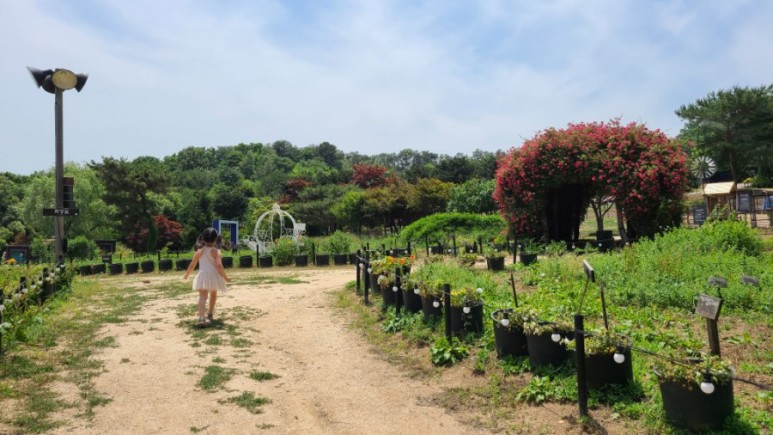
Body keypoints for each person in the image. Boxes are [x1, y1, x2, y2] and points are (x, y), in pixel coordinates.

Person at [183, 228, 231, 325]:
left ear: (203, 239)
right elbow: (219, 265)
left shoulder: (199, 252)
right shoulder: (216, 252)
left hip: (203, 276)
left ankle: (201, 317)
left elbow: (192, 265)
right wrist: (225, 277)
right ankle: (210, 313)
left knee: (202, 296)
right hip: (214, 276)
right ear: (216, 239)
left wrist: (187, 274)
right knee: (213, 293)